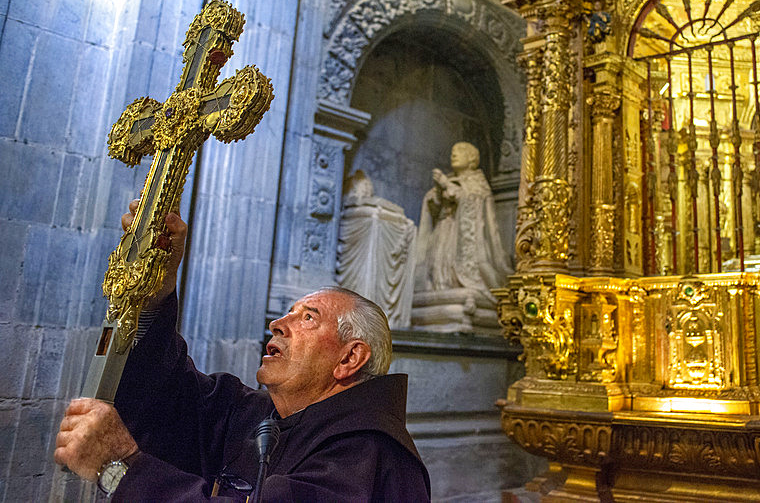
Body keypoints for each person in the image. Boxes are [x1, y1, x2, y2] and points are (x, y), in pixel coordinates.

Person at [54, 201, 431, 501]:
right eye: (288, 311)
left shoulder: (369, 453)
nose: (278, 323)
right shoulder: (255, 412)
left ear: (349, 359)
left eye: (309, 317)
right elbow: (169, 397)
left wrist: (120, 470)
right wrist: (158, 293)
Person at [413, 142, 512, 301]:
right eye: (452, 152)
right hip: (443, 230)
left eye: (460, 151)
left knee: (455, 268)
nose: (454, 154)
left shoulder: (477, 182)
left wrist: (447, 185)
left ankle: (455, 285)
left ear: (472, 158)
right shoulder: (449, 179)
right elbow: (433, 209)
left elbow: (472, 202)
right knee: (437, 265)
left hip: (462, 237)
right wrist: (439, 191)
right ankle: (440, 287)